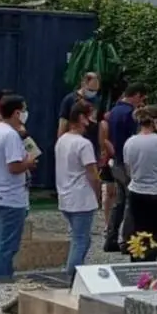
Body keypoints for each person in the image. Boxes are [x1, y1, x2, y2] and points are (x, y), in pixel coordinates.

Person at [0, 94, 36, 281]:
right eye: (24, 110)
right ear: (16, 113)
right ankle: (1, 279)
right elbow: (14, 166)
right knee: (7, 244)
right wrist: (28, 162)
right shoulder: (10, 135)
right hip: (10, 199)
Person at [123, 105, 157, 261]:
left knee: (138, 229)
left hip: (137, 191)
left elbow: (129, 170)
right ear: (156, 121)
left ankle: (136, 263)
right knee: (156, 232)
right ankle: (150, 262)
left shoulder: (130, 142)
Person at [55, 101, 101, 277]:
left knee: (80, 238)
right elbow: (92, 173)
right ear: (82, 118)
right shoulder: (84, 144)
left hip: (65, 195)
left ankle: (73, 273)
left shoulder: (62, 140)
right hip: (81, 198)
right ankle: (72, 276)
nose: (93, 120)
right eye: (91, 116)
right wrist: (97, 194)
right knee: (80, 240)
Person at [104, 82, 149, 252]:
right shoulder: (131, 114)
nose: (141, 102)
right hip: (128, 163)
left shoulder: (114, 111)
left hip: (116, 161)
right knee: (131, 202)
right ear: (136, 95)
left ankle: (111, 236)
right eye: (142, 98)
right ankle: (127, 241)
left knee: (119, 202)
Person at [98, 109, 116, 225]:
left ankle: (109, 223)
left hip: (111, 158)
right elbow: (103, 142)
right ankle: (108, 223)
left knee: (111, 193)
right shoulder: (106, 122)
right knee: (109, 192)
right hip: (109, 159)